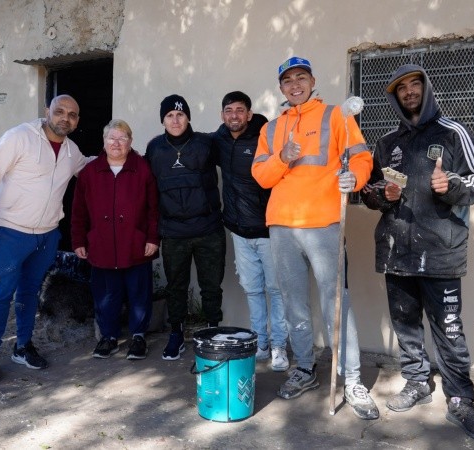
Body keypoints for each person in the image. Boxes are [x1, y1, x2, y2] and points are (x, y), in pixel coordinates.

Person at [360, 64, 474, 441]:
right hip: (397, 251)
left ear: (426, 88)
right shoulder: (387, 143)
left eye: (414, 84)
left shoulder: (453, 133)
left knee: (449, 330)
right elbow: (369, 191)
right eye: (401, 87)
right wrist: (380, 196)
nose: (408, 91)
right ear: (394, 96)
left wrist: (450, 184)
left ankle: (460, 400)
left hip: (441, 251)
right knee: (405, 325)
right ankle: (417, 382)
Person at [251, 57, 379, 420]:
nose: (295, 85)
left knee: (336, 302)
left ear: (312, 81)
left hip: (323, 222)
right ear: (281, 88)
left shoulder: (336, 115)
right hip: (282, 225)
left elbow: (360, 157)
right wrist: (281, 158)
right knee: (293, 303)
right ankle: (304, 368)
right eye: (288, 80)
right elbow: (261, 175)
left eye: (301, 78)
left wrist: (353, 179)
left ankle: (351, 379)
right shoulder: (272, 128)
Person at [0, 94, 90, 383]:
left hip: (47, 235)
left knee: (30, 292)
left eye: (72, 115)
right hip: (11, 231)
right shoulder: (18, 137)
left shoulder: (72, 151)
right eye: (59, 111)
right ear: (47, 111)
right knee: (1, 293)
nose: (65, 118)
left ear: (77, 121)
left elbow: (91, 169)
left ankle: (22, 346)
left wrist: (120, 153)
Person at [144, 94, 225, 361]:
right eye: (169, 115)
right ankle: (176, 333)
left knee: (211, 285)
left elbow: (237, 149)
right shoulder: (155, 148)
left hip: (208, 229)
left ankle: (213, 329)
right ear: (163, 120)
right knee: (176, 286)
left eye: (180, 114)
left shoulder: (206, 143)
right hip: (174, 232)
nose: (175, 120)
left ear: (188, 117)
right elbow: (144, 187)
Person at [213, 91, 289, 372]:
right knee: (253, 290)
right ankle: (262, 343)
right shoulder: (218, 140)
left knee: (276, 290)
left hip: (268, 229)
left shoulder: (266, 136)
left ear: (248, 113)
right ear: (222, 114)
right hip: (238, 230)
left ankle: (280, 345)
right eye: (229, 110)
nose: (234, 115)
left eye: (239, 110)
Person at [71, 119, 159, 360]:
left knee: (139, 293)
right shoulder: (90, 172)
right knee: (105, 294)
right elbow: (78, 210)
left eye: (122, 138)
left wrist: (152, 238)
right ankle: (108, 337)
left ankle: (138, 337)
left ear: (130, 142)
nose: (116, 143)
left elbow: (154, 208)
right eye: (112, 138)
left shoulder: (142, 168)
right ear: (104, 141)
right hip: (101, 245)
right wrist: (79, 240)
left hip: (136, 244)